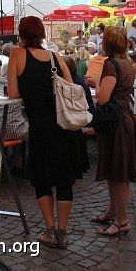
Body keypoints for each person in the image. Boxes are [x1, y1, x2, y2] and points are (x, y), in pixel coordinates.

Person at [7, 16, 88, 249]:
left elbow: (13, 93)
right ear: (42, 33)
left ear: (21, 34)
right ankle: (63, 232)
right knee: (64, 179)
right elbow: (70, 85)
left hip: (40, 126)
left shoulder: (17, 54)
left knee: (42, 178)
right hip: (64, 125)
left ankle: (50, 229)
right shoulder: (55, 57)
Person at [91, 27, 136, 237]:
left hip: (116, 122)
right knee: (114, 171)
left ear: (107, 45)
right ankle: (113, 210)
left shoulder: (111, 64)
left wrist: (95, 84)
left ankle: (122, 220)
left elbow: (103, 97)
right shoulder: (128, 63)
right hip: (123, 119)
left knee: (119, 173)